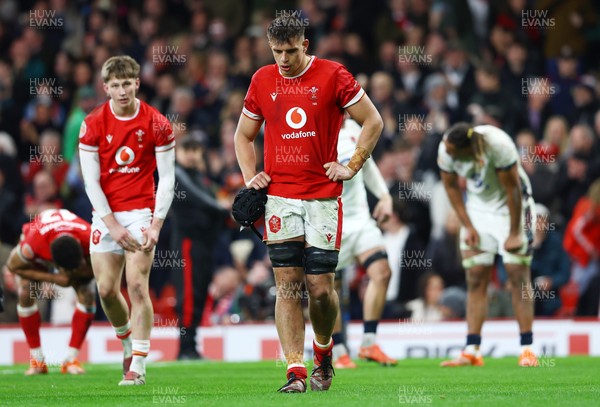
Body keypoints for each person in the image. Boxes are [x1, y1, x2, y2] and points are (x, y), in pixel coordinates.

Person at [234, 16, 383, 393]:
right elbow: (243, 135)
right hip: (280, 198)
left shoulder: (334, 75)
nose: (283, 59)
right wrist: (251, 176)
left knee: (319, 288)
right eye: (276, 51)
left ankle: (323, 351)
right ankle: (295, 371)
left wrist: (352, 165)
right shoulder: (262, 80)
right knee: (286, 286)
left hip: (322, 198)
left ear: (306, 44)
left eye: (290, 50)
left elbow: (373, 121)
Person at [78, 55, 175, 385]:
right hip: (106, 215)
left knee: (136, 285)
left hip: (141, 214)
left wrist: (157, 224)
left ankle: (139, 366)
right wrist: (112, 226)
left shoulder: (157, 123)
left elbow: (168, 178)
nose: (122, 91)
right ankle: (126, 342)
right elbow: (90, 182)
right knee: (105, 290)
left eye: (127, 84)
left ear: (137, 83)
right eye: (115, 85)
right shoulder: (92, 124)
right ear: (105, 88)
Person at [438, 122, 539, 367]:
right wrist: (469, 225)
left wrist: (514, 232)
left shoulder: (499, 146)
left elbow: (513, 190)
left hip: (511, 208)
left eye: (453, 152)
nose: (447, 154)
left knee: (517, 275)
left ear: (466, 150)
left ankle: (527, 349)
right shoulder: (446, 148)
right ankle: (472, 349)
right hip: (478, 210)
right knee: (475, 276)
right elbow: (451, 187)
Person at [331, 117, 396, 369]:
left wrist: (384, 196)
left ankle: (368, 342)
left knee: (381, 271)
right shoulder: (313, 133)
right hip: (329, 219)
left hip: (359, 218)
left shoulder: (354, 129)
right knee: (329, 289)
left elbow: (367, 165)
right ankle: (337, 350)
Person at [3, 209, 95, 375]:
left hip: (70, 244)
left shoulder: (90, 238)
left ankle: (71, 360)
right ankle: (37, 360)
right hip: (42, 247)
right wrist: (54, 279)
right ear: (56, 266)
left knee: (87, 293)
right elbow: (13, 265)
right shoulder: (34, 243)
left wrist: (80, 273)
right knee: (25, 292)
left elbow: (101, 269)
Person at [170, 134, 229, 360]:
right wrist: (221, 207)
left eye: (196, 150)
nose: (193, 155)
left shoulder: (200, 177)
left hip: (204, 244)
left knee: (199, 293)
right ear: (178, 153)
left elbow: (210, 200)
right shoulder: (177, 174)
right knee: (188, 294)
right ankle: (185, 347)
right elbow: (203, 201)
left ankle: (191, 345)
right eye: (188, 150)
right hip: (187, 243)